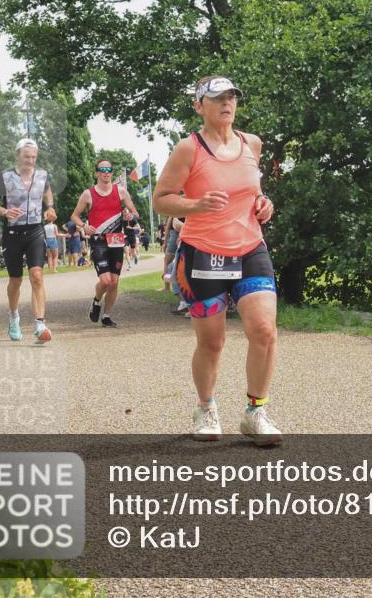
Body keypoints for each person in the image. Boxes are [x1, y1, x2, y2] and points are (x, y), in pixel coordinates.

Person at [153, 76, 279, 445]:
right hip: (204, 253)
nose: (227, 103)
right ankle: (206, 408)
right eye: (217, 98)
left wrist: (263, 204)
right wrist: (195, 205)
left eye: (231, 97)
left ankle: (256, 412)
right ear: (199, 106)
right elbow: (161, 199)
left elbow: (253, 192)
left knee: (264, 331)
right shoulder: (188, 149)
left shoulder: (251, 144)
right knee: (213, 342)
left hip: (250, 248)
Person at [0, 137, 56, 343]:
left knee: (37, 275)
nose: (30, 160)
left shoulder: (42, 175)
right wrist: (4, 211)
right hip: (13, 234)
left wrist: (50, 207)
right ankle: (14, 317)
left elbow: (47, 191)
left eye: (33, 157)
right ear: (18, 155)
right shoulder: (5, 177)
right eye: (26, 156)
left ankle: (39, 323)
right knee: (15, 281)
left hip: (35, 231)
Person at [70, 160, 141, 328]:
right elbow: (74, 216)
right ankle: (96, 301)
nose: (106, 172)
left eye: (109, 170)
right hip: (99, 241)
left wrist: (130, 216)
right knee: (106, 280)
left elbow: (134, 212)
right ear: (96, 173)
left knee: (114, 282)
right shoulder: (88, 194)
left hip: (116, 240)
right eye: (102, 170)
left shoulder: (121, 191)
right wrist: (84, 226)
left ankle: (106, 315)